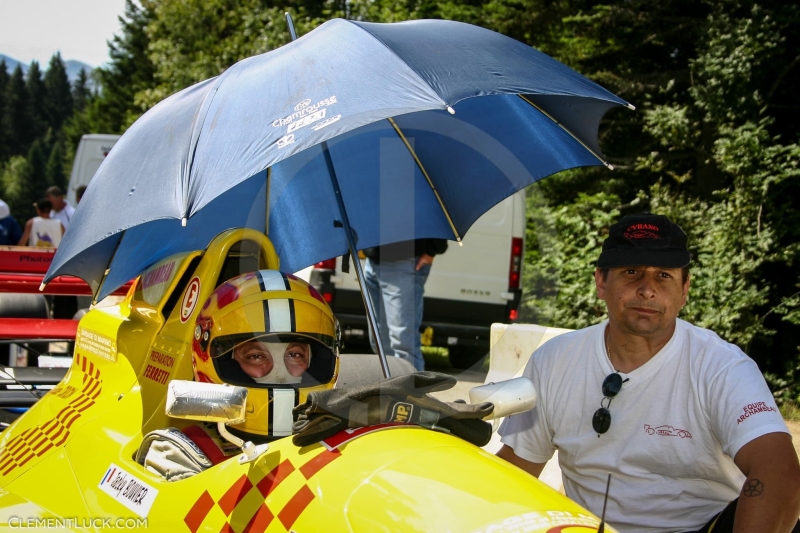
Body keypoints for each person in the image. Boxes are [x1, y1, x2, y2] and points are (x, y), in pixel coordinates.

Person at [497, 213, 800, 533]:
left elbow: (779, 474)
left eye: (664, 276)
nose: (647, 289)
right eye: (631, 272)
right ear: (601, 281)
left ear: (685, 289)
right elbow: (516, 472)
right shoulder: (554, 361)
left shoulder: (722, 368)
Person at [137, 269, 341, 479]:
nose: (280, 374)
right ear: (217, 361)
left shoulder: (340, 445)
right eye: (255, 356)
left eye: (295, 354)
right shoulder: (178, 458)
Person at [363, 238, 448, 371]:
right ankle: (390, 390)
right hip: (373, 259)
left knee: (404, 346)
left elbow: (440, 217)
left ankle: (410, 391)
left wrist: (433, 249)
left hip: (404, 261)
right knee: (380, 343)